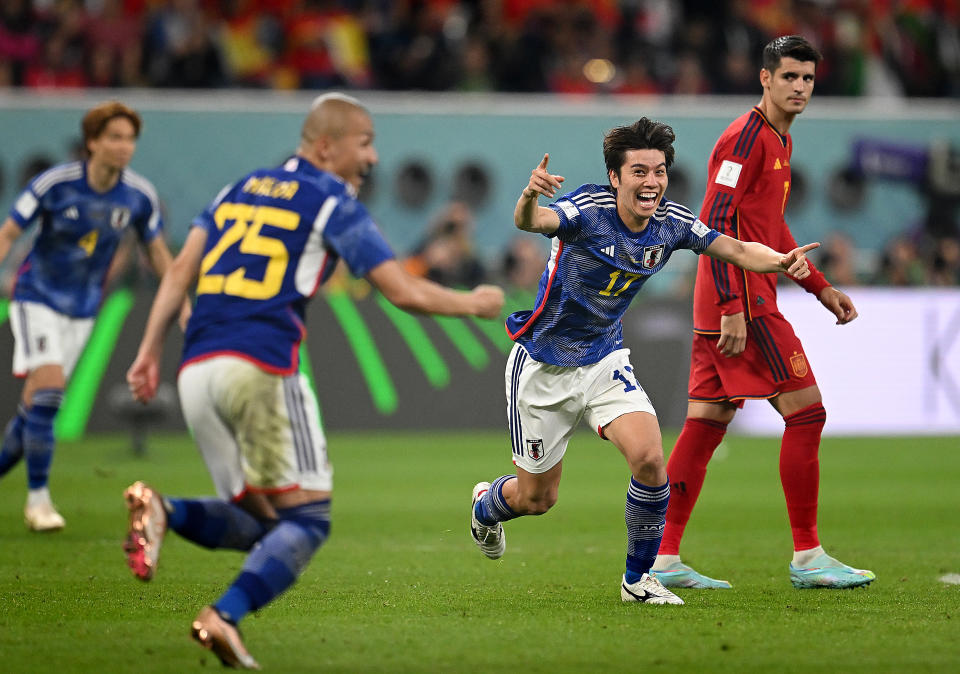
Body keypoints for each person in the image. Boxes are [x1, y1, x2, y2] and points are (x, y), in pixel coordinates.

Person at [123, 92, 503, 669]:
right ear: (326, 146)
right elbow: (401, 290)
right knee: (307, 520)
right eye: (365, 141)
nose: (373, 156)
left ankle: (165, 512)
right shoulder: (331, 200)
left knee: (260, 522)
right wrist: (472, 303)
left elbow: (179, 270)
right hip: (262, 368)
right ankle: (222, 617)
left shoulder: (239, 187)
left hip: (197, 368)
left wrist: (149, 350)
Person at [468, 117, 820, 606]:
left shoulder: (672, 222)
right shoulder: (587, 210)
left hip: (604, 361)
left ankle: (638, 580)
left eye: (658, 171)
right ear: (615, 178)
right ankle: (486, 508)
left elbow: (734, 248)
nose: (650, 182)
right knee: (537, 499)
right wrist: (530, 194)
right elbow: (532, 221)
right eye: (638, 171)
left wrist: (781, 260)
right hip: (543, 367)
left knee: (651, 459)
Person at [650, 35, 875, 591]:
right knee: (806, 413)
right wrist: (732, 304)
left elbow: (768, 230)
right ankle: (808, 556)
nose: (799, 87)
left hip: (730, 296)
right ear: (765, 79)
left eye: (808, 79)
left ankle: (662, 557)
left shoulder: (778, 140)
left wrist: (820, 287)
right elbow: (715, 222)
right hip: (741, 298)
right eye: (790, 77)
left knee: (706, 425)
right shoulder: (744, 140)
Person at [0, 100, 185, 532]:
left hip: (84, 309)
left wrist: (185, 302)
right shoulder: (55, 184)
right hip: (36, 296)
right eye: (115, 138)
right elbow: (10, 231)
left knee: (35, 411)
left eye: (130, 139)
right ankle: (39, 503)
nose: (124, 147)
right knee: (49, 393)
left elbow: (157, 251)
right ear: (92, 142)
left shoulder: (138, 196)